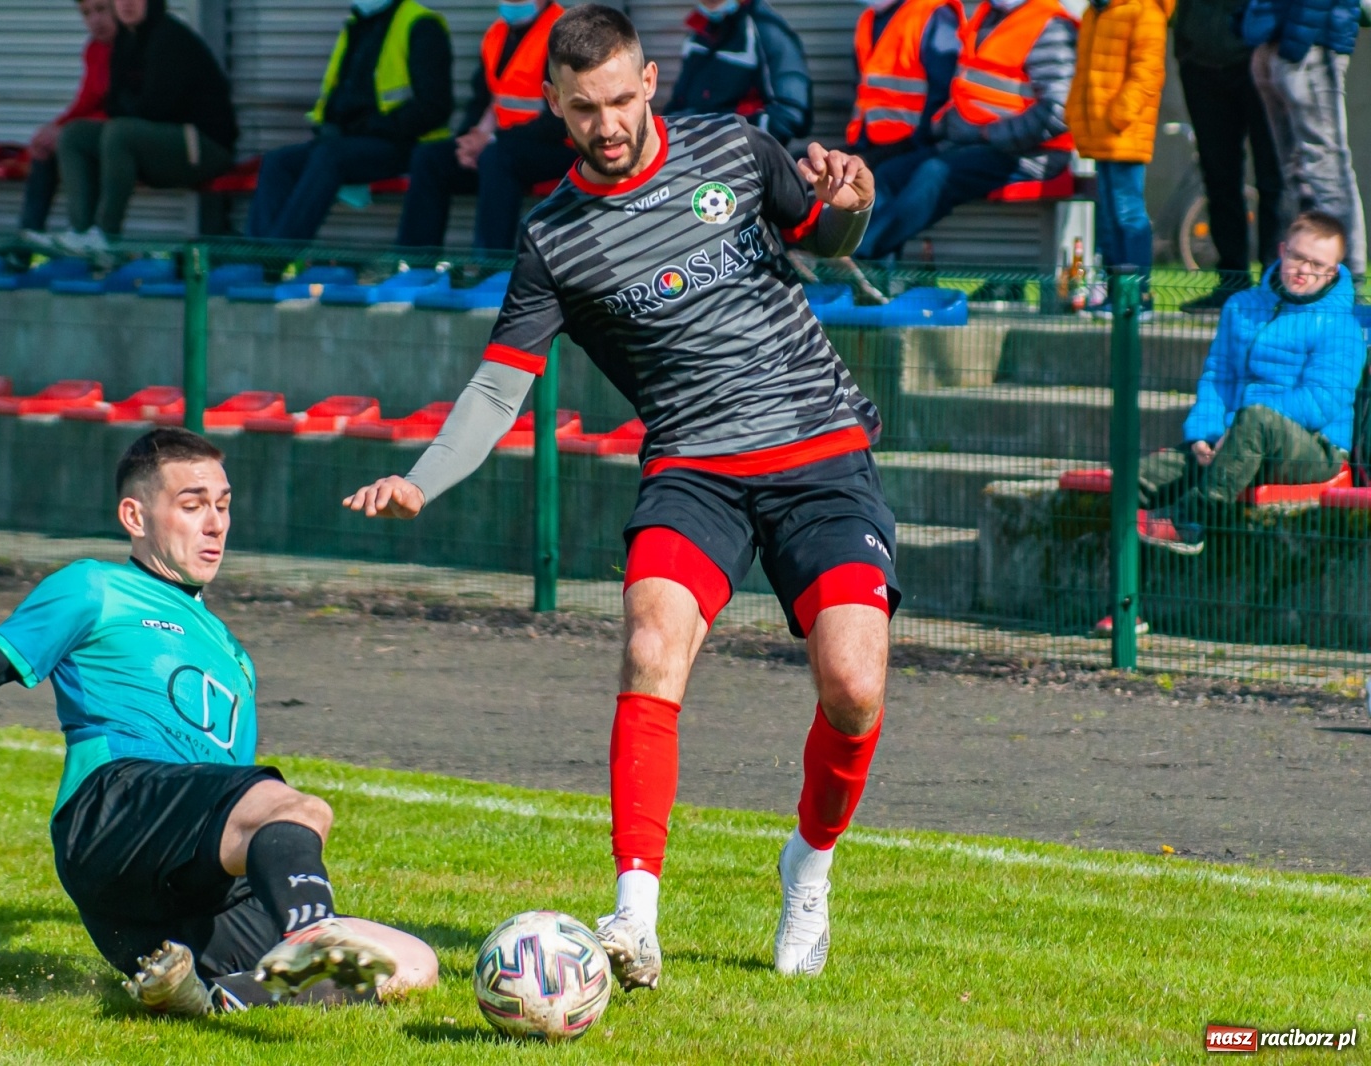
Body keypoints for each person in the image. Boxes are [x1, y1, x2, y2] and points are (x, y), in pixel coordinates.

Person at [344, 4, 893, 988]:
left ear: (648, 83)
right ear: (554, 105)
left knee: (852, 689)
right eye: (583, 106)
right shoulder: (553, 237)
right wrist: (420, 479)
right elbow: (497, 385)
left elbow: (829, 234)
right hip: (694, 466)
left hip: (819, 450)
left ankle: (807, 866)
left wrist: (852, 198)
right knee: (649, 641)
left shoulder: (733, 145)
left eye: (618, 98)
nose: (606, 123)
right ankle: (633, 913)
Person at [0, 428, 438, 1014]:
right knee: (298, 810)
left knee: (408, 965)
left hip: (175, 893)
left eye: (224, 505)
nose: (215, 524)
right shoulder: (94, 588)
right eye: (192, 504)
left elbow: (227, 809)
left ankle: (211, 996)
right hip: (112, 814)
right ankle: (307, 936)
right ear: (135, 515)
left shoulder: (234, 655)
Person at [1138, 211, 1365, 555]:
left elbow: (1320, 403)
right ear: (1282, 250)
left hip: (1315, 449)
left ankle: (1189, 522)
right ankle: (1120, 596)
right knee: (1131, 481)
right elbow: (1218, 376)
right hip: (1233, 439)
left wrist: (1241, 424)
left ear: (1332, 271)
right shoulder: (1241, 306)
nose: (1304, 270)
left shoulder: (1341, 328)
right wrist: (1204, 433)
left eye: (1317, 264)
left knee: (1257, 418)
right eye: (1298, 257)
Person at [855, 0, 1078, 261]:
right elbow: (971, 85)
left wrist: (989, 134)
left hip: (1029, 154)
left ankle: (860, 253)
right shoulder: (987, 16)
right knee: (888, 175)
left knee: (936, 174)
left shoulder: (1050, 25)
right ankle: (873, 281)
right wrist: (947, 125)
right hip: (971, 143)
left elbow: (1059, 111)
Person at [248, 0, 453, 242]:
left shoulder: (420, 24)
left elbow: (434, 106)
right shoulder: (357, 24)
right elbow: (343, 93)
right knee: (277, 162)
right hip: (351, 140)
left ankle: (276, 254)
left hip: (406, 142)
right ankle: (255, 260)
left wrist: (374, 126)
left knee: (330, 156)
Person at [53, 0, 238, 257]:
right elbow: (115, 102)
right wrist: (128, 107)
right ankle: (81, 232)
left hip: (203, 148)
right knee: (74, 135)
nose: (127, 3)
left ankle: (106, 235)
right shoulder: (125, 41)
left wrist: (128, 107)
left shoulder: (169, 37)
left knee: (121, 132)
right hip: (156, 144)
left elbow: (154, 108)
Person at [395, 0, 575, 252]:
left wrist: (491, 141)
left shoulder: (565, 33)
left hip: (561, 147)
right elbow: (482, 100)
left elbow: (563, 121)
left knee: (497, 158)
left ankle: (489, 266)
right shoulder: (496, 34)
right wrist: (468, 142)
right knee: (430, 158)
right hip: (503, 143)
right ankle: (415, 265)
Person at [1242, 0, 1366, 280]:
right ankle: (1302, 286)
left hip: (1310, 43)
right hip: (1272, 40)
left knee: (1328, 173)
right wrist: (1250, 27)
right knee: (1295, 175)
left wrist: (1297, 40)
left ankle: (1348, 283)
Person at [1172, 0, 1282, 313]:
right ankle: (1231, 282)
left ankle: (1274, 284)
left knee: (1273, 178)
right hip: (1201, 60)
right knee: (1218, 176)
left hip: (1257, 53)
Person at [1065, 0, 1173, 315]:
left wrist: (1117, 115)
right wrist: (1077, 113)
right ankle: (1116, 294)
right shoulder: (1095, 13)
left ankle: (1138, 295)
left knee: (1128, 214)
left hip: (1123, 131)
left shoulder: (1144, 12)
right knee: (1109, 219)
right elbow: (1084, 72)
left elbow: (1148, 74)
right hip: (1099, 131)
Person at [21, 0, 116, 242]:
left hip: (122, 136)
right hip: (98, 131)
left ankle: (82, 234)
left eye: (101, 9)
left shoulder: (131, 47)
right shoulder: (94, 49)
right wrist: (53, 128)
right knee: (45, 147)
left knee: (71, 139)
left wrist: (64, 131)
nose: (95, 20)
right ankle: (29, 236)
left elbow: (125, 108)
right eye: (87, 13)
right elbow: (85, 101)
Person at [664, 0, 813, 146]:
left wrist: (718, 140)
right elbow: (678, 102)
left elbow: (791, 115)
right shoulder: (698, 31)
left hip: (745, 163)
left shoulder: (767, 29)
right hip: (694, 160)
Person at [844, 0, 964, 168]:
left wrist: (922, 139)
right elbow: (863, 85)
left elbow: (944, 90)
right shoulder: (868, 18)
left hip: (914, 144)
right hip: (867, 142)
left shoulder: (933, 14)